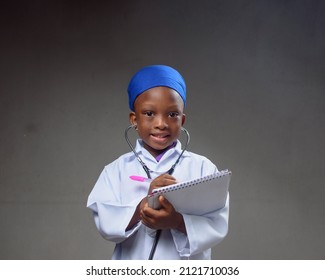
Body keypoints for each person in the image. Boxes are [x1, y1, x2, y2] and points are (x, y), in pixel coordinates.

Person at [87, 65, 229, 260]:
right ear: (134, 119)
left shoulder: (203, 168)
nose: (161, 123)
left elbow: (217, 224)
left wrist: (177, 222)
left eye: (172, 114)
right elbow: (105, 223)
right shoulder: (116, 170)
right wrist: (141, 208)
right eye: (149, 113)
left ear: (183, 120)